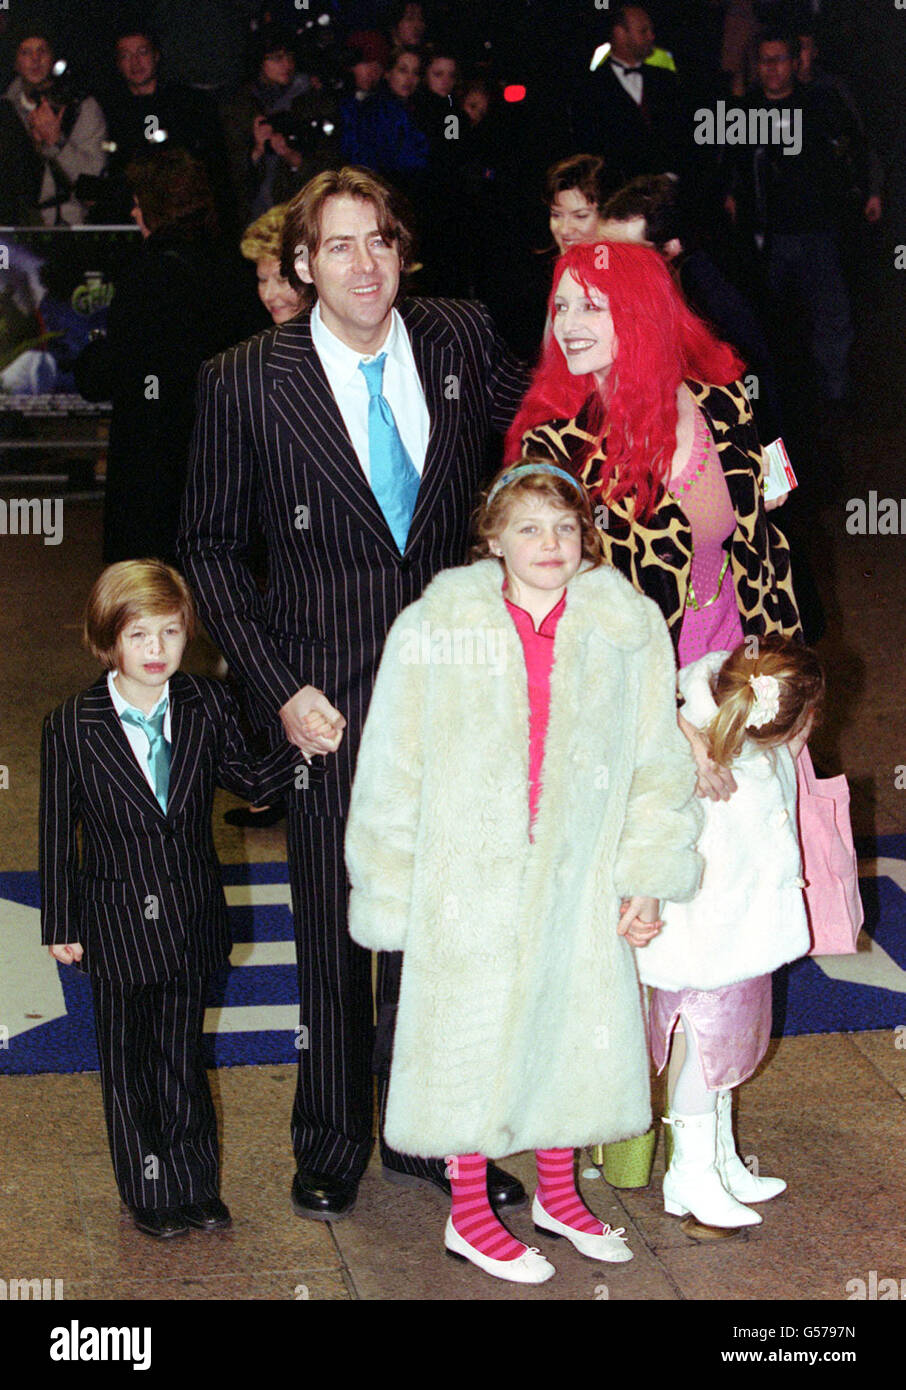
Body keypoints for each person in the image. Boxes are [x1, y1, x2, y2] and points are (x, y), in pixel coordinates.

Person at [178, 166, 531, 1222]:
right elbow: (207, 545)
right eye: (338, 245)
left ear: (402, 249)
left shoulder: (461, 338)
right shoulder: (245, 379)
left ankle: (426, 1131)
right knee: (335, 927)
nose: (365, 263)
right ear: (300, 265)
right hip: (323, 699)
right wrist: (278, 687)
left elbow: (557, 420)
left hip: (459, 693)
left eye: (380, 238)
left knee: (445, 927)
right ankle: (331, 1136)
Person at [345, 462, 703, 1282]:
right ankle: (469, 1212)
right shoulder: (437, 625)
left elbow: (657, 763)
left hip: (582, 872)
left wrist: (646, 873)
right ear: (493, 539)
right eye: (530, 528)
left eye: (567, 528)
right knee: (466, 1032)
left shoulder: (628, 626)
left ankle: (558, 1191)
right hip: (464, 877)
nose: (551, 544)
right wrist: (393, 889)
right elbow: (391, 765)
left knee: (574, 1024)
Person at [507, 239, 802, 1189]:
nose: (571, 324)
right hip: (633, 723)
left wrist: (789, 696)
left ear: (642, 309)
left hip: (738, 704)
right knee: (652, 930)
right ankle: (637, 1137)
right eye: (561, 307)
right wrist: (668, 733)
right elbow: (556, 619)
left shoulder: (728, 408)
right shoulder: (557, 447)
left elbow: (768, 557)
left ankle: (704, 1140)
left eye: (592, 303)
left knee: (734, 930)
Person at [39, 560, 302, 1238]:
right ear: (108, 643)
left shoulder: (206, 706)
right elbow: (55, 832)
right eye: (138, 636)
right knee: (130, 1066)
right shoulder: (72, 725)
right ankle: (148, 1189)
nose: (156, 651)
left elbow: (247, 779)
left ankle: (194, 1184)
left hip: (190, 919)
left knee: (184, 1056)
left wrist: (301, 748)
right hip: (116, 922)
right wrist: (61, 922)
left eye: (171, 633)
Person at [639, 635, 824, 1226]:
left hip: (737, 938)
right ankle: (688, 1174)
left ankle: (717, 1159)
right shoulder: (704, 768)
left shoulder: (746, 749)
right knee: (701, 1057)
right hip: (701, 945)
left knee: (726, 1055)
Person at [74, 149, 254, 565]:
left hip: (154, 458)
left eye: (139, 202)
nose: (134, 212)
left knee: (149, 586)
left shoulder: (149, 273)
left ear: (154, 208)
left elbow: (118, 367)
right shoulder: (230, 264)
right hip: (218, 456)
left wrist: (89, 361)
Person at [723, 31, 874, 408]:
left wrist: (864, 194)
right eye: (764, 60)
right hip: (764, 237)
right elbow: (730, 169)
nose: (772, 68)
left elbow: (852, 151)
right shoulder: (744, 112)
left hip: (816, 232)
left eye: (780, 59)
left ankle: (833, 395)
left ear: (795, 63)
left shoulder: (819, 105)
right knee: (765, 321)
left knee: (830, 317)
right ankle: (775, 398)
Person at [95, 26, 233, 226]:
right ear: (117, 63)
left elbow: (215, 166)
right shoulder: (110, 110)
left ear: (156, 55)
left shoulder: (189, 103)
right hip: (135, 217)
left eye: (142, 52)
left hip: (187, 215)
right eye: (126, 56)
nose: (135, 62)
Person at [4, 28, 108, 226]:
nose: (35, 59)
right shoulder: (4, 110)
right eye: (26, 52)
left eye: (42, 51)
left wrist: (57, 143)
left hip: (69, 227)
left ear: (54, 58)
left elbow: (94, 183)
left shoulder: (82, 107)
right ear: (16, 62)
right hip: (12, 230)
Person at [570, 5, 684, 185]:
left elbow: (679, 134)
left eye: (651, 30)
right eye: (643, 31)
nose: (651, 37)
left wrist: (671, 175)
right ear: (620, 34)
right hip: (616, 191)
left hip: (665, 191)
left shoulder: (666, 80)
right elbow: (589, 145)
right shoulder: (590, 87)